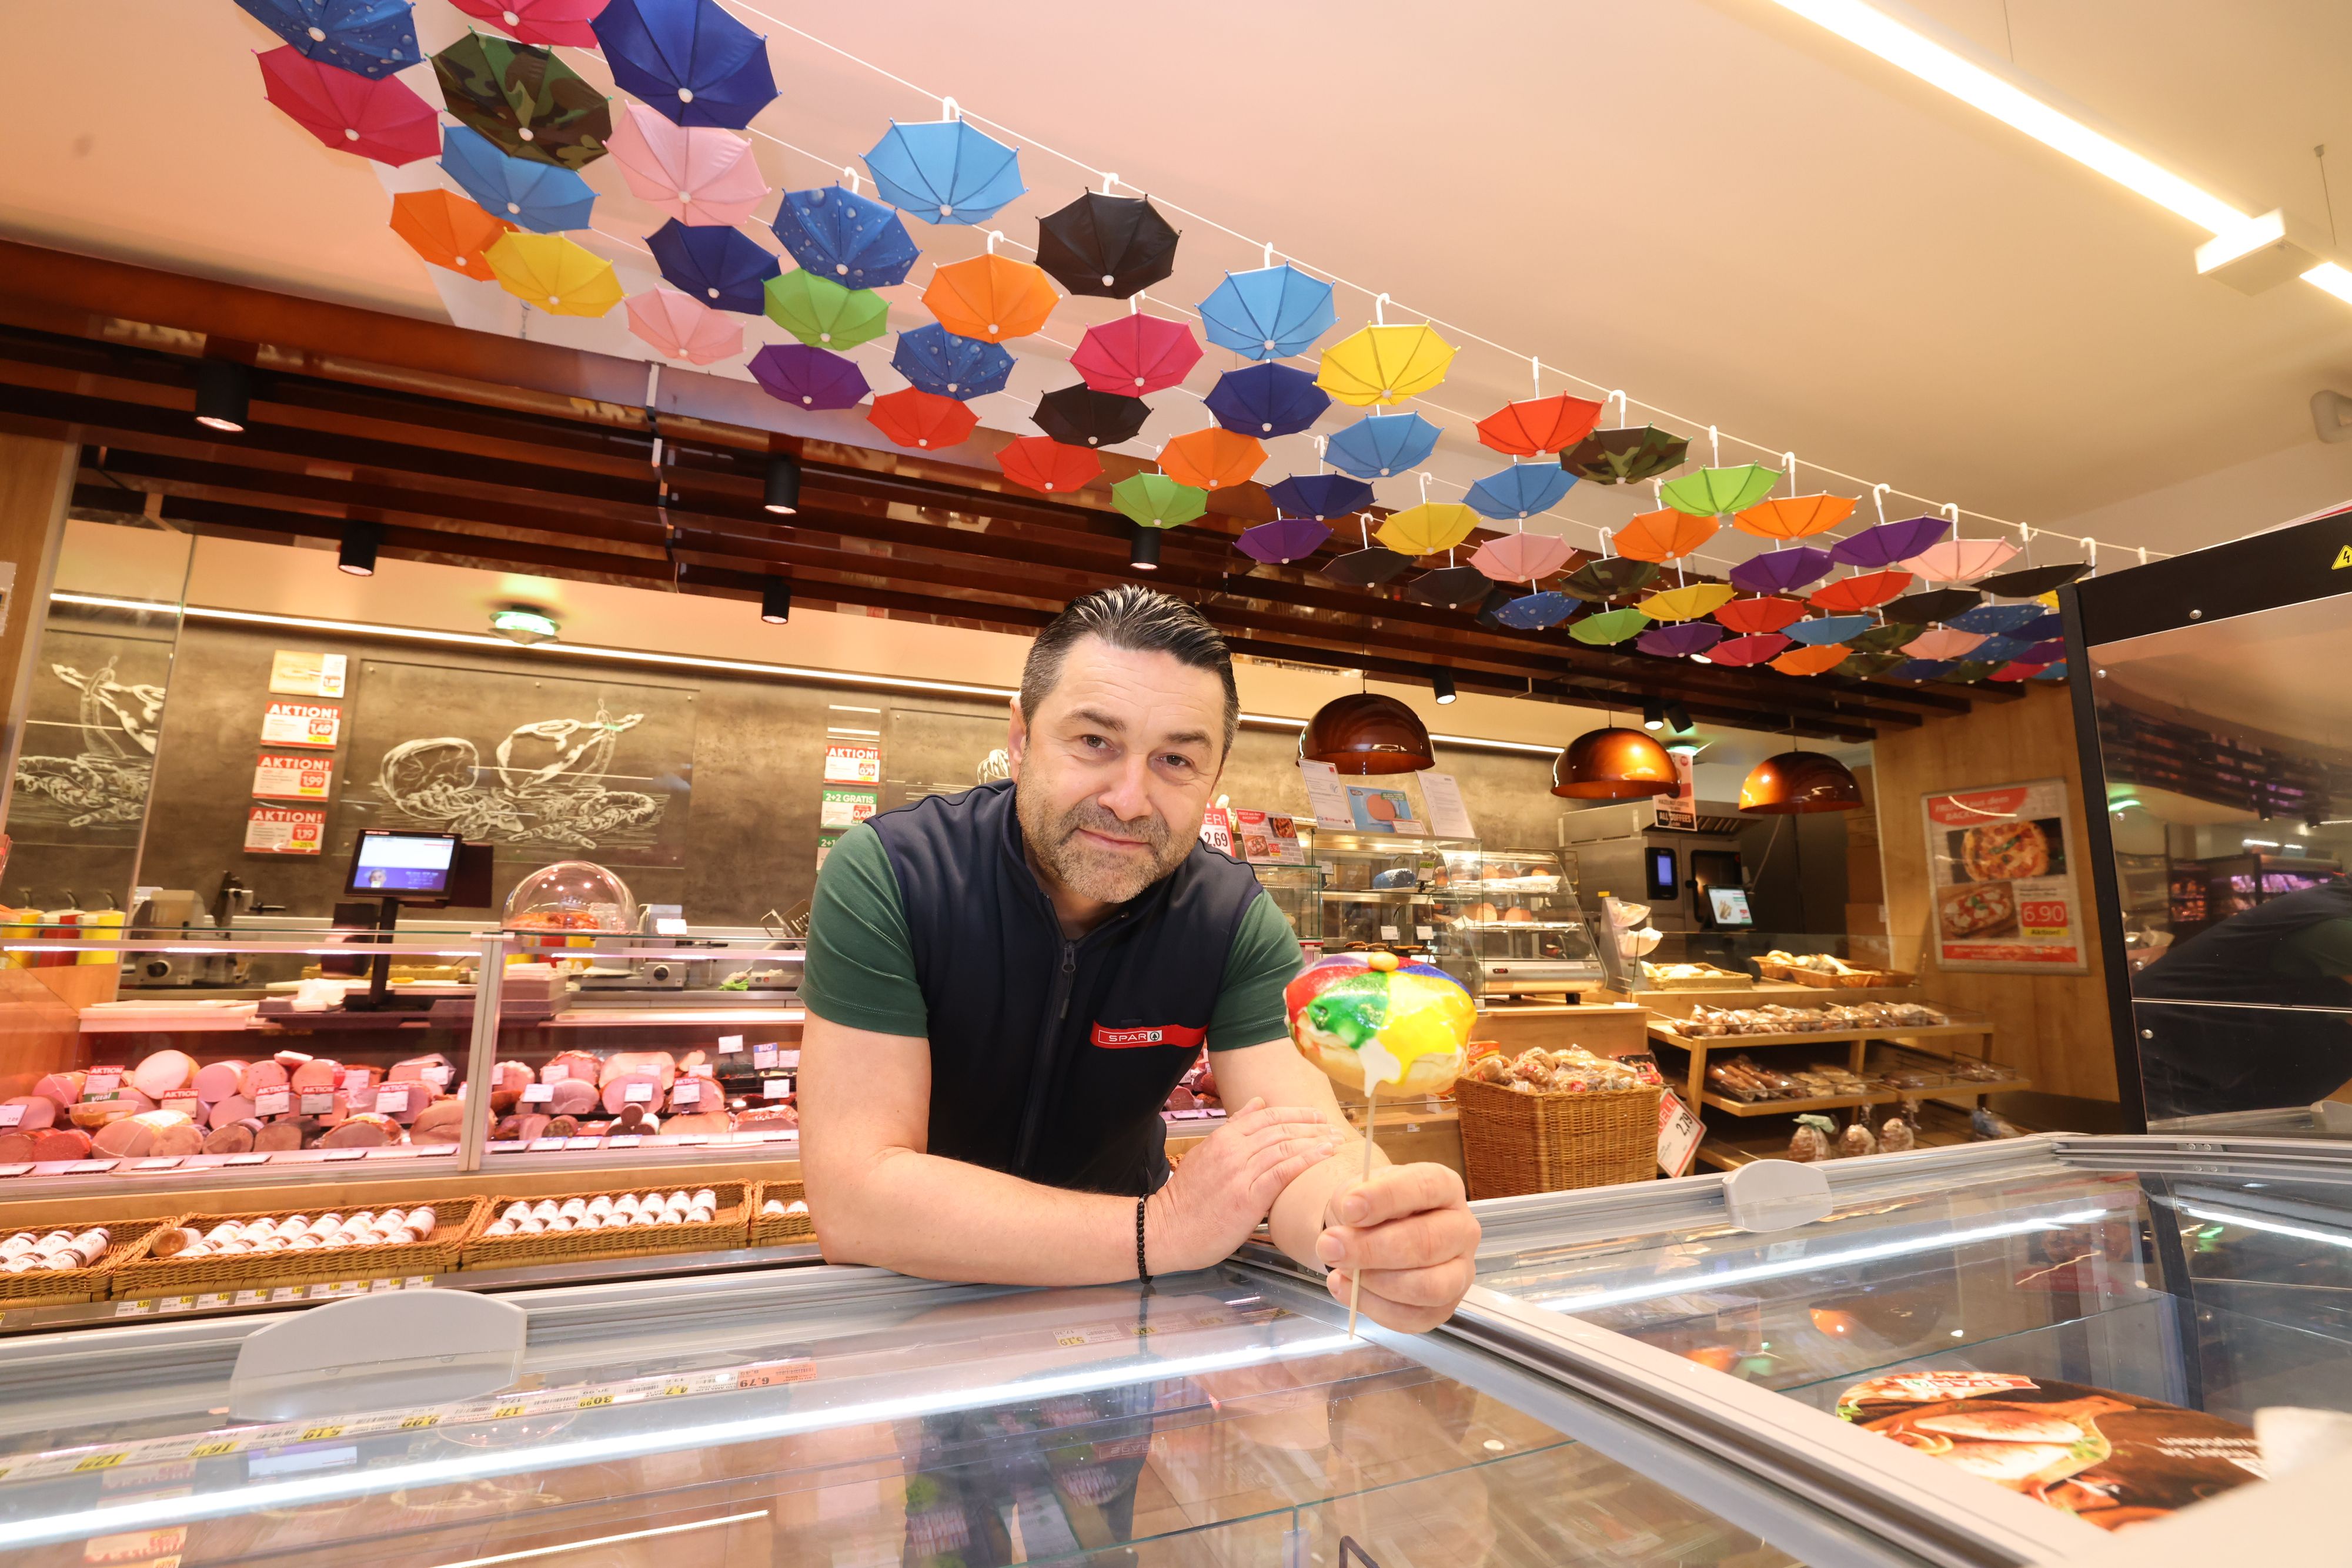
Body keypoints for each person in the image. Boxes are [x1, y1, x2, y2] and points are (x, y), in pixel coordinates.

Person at [797, 586, 1481, 1330]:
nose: (1129, 799)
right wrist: (1163, 1229)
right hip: (912, 1303)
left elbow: (1303, 1147)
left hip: (1122, 1314)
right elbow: (857, 1199)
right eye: (1094, 742)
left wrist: (1369, 1230)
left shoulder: (1230, 919)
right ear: (1021, 739)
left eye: (1176, 759)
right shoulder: (895, 872)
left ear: (1213, 777)